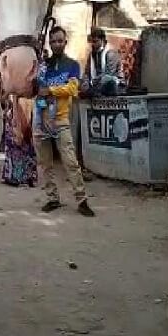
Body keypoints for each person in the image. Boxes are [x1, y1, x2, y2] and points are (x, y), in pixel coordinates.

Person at [34, 26, 95, 217]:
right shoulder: (43, 65)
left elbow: (72, 89)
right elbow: (39, 89)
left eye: (60, 40)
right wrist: (43, 111)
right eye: (53, 41)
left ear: (65, 42)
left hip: (61, 120)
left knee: (70, 162)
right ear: (49, 44)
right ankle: (52, 198)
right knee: (45, 163)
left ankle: (82, 200)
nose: (56, 44)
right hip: (41, 119)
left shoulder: (73, 65)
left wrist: (51, 91)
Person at [1, 96, 37, 187]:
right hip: (28, 105)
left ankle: (16, 176)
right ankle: (29, 175)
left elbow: (14, 97)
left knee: (16, 145)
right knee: (27, 143)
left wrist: (15, 120)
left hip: (19, 108)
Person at [86, 27, 125, 96]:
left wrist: (93, 82)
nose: (93, 44)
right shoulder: (92, 54)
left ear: (102, 40)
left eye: (95, 41)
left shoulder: (111, 52)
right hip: (97, 84)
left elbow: (109, 73)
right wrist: (85, 82)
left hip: (114, 85)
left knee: (107, 79)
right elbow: (87, 72)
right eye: (92, 42)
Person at [33, 49, 57, 136]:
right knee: (41, 111)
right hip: (42, 94)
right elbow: (39, 79)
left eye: (46, 54)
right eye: (44, 54)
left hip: (48, 94)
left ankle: (47, 129)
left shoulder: (49, 66)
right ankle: (40, 129)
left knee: (49, 111)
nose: (45, 56)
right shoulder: (40, 67)